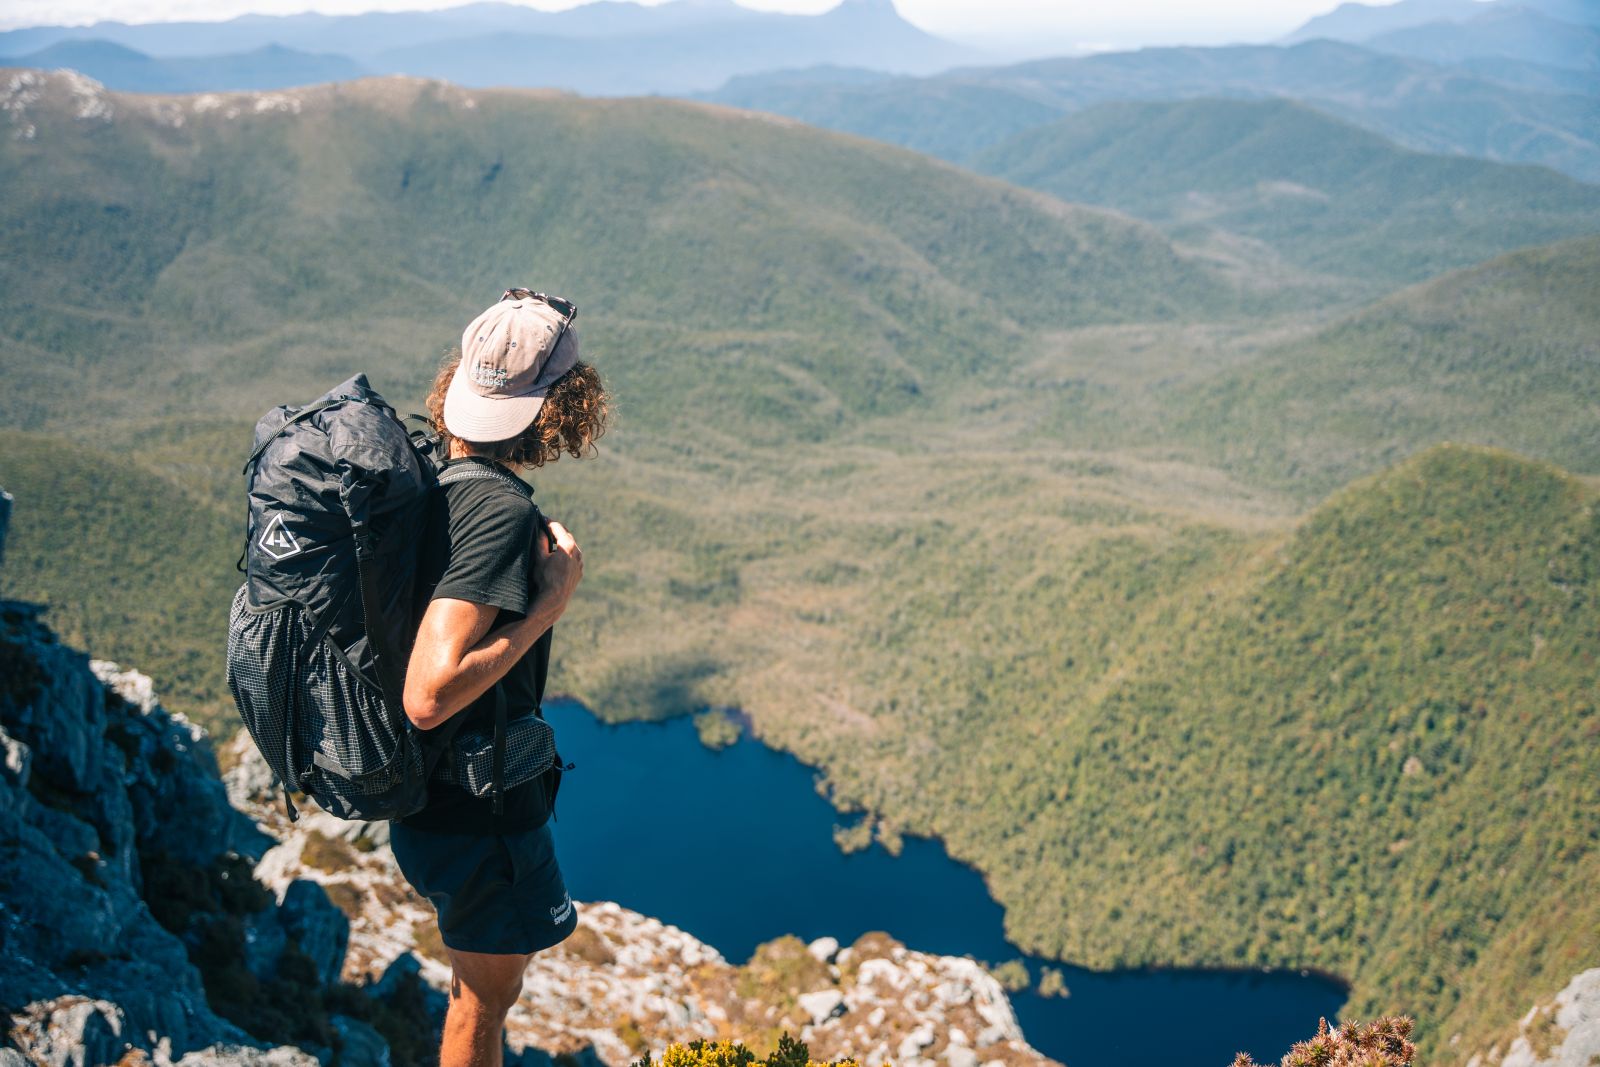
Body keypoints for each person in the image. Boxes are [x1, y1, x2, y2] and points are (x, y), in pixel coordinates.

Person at [395, 288, 609, 1067]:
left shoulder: (435, 482)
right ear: (562, 403)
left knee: (479, 986)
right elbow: (428, 693)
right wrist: (547, 607)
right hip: (478, 815)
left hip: (432, 804)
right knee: (485, 1001)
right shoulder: (496, 512)